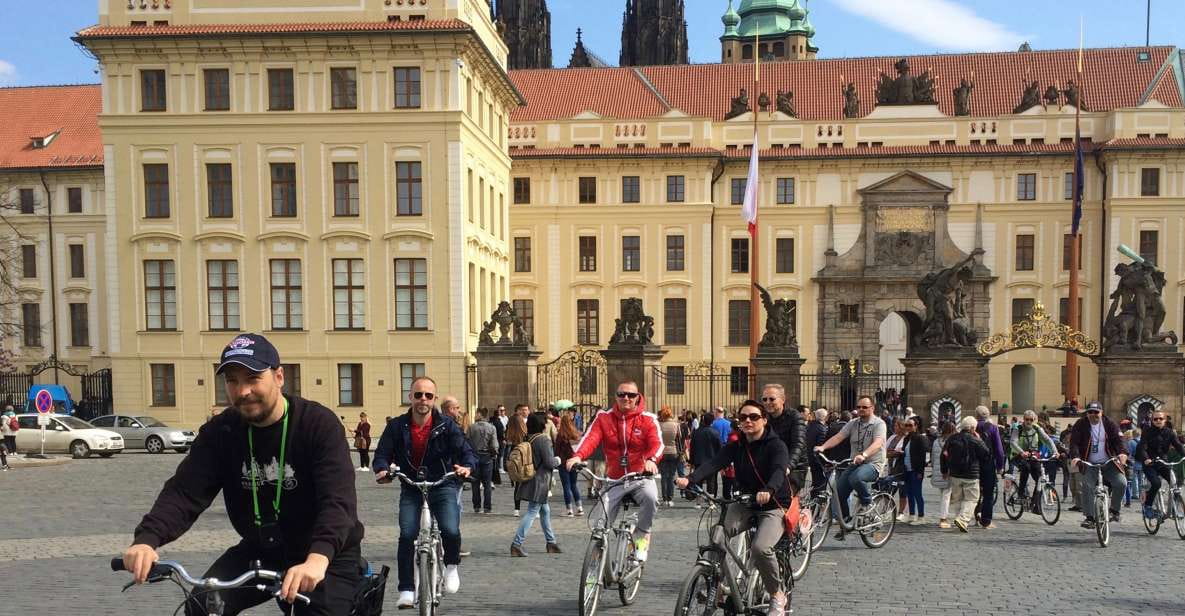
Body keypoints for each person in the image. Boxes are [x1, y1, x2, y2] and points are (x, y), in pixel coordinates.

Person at [120, 334, 363, 615]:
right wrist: (147, 540)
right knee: (202, 604)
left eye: (252, 378)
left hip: (325, 552)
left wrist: (318, 559)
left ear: (279, 377)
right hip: (263, 548)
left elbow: (338, 501)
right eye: (232, 381)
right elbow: (184, 493)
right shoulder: (221, 432)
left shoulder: (317, 425)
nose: (242, 390)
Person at [676, 400, 791, 616]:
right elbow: (714, 463)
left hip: (773, 504)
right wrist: (690, 479)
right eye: (744, 417)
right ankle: (715, 584)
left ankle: (777, 595)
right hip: (746, 502)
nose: (748, 421)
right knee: (717, 534)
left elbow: (778, 470)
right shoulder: (737, 444)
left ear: (764, 420)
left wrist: (769, 489)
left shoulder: (776, 445)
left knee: (760, 548)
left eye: (754, 417)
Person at [373, 376, 474, 609]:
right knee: (407, 534)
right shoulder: (397, 426)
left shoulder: (447, 426)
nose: (423, 400)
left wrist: (466, 466)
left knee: (450, 528)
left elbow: (466, 450)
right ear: (410, 397)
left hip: (442, 484)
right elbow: (382, 454)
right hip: (412, 487)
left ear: (434, 399)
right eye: (418, 395)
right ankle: (407, 588)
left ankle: (451, 566)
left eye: (428, 395)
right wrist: (381, 469)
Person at [566, 380, 663, 562]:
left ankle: (641, 538)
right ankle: (595, 561)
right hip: (614, 480)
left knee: (651, 498)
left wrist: (651, 460)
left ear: (637, 397)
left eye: (630, 395)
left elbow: (657, 443)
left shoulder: (648, 419)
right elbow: (591, 438)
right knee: (600, 523)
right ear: (616, 397)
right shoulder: (604, 417)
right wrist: (578, 456)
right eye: (621, 394)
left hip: (640, 476)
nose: (626, 398)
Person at [814, 396, 886, 539]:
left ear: (872, 408)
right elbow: (839, 437)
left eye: (864, 407)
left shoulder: (879, 424)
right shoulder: (853, 423)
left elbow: (878, 443)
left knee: (856, 478)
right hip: (854, 463)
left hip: (873, 464)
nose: (861, 410)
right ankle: (846, 521)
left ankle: (868, 503)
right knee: (838, 491)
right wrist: (823, 447)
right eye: (859, 407)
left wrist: (864, 455)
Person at [510, 413, 563, 556]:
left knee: (545, 511)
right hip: (540, 482)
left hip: (531, 478)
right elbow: (549, 462)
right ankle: (516, 544)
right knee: (532, 511)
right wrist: (558, 460)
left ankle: (551, 542)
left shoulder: (529, 438)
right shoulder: (543, 439)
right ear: (542, 424)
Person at [1069, 401, 1128, 528]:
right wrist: (1075, 457)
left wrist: (1122, 453)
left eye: (1096, 412)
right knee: (1086, 485)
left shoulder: (1109, 424)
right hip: (1089, 463)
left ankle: (1114, 511)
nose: (1093, 415)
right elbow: (1074, 443)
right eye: (1090, 412)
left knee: (1121, 483)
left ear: (1102, 413)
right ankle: (1089, 518)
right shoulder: (1081, 424)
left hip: (1109, 462)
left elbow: (1119, 440)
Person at [941, 416, 990, 532]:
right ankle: (962, 520)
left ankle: (959, 519)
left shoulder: (952, 438)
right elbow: (986, 454)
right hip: (971, 475)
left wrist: (944, 470)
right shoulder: (975, 439)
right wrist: (981, 440)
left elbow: (943, 454)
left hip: (955, 474)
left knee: (958, 499)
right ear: (973, 428)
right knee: (972, 499)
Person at [1009, 410, 1058, 514]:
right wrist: (1022, 452)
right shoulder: (1017, 428)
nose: (1029, 422)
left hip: (1033, 455)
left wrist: (1055, 451)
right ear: (1024, 419)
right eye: (1027, 419)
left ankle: (1035, 504)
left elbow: (1047, 440)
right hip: (1018, 455)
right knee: (1025, 468)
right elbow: (1013, 442)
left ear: (1034, 420)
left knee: (1040, 478)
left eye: (1031, 420)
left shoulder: (1037, 428)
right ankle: (1021, 493)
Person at [1137, 412, 1183, 519]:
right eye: (1155, 419)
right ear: (1152, 421)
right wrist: (1146, 458)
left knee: (1175, 483)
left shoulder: (1170, 432)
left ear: (1165, 420)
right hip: (1150, 463)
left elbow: (1178, 445)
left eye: (1160, 419)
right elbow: (1141, 447)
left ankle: (1174, 508)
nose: (1158, 421)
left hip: (1163, 462)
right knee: (1156, 483)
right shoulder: (1147, 432)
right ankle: (1148, 505)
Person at [761, 383, 806, 492]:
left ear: (783, 399)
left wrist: (788, 467)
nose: (768, 402)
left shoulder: (795, 417)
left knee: (782, 499)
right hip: (771, 466)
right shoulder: (763, 418)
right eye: (764, 399)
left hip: (794, 468)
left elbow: (798, 445)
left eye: (772, 399)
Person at [975, 406, 1006, 528]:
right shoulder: (993, 428)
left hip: (973, 464)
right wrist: (1000, 466)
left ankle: (974, 515)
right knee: (988, 493)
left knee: (973, 492)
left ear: (976, 415)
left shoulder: (972, 427)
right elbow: (999, 449)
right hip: (988, 464)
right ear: (988, 416)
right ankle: (986, 520)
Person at [466, 407, 499, 514]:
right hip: (487, 456)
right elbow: (494, 445)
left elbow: (467, 442)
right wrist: (494, 454)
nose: (475, 415)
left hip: (475, 456)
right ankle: (487, 507)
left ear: (480, 414)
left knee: (475, 483)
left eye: (476, 413)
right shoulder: (492, 428)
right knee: (487, 483)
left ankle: (476, 506)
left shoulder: (471, 427)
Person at [689, 412, 722, 507]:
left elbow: (692, 447)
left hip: (698, 460)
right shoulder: (715, 432)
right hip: (711, 462)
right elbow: (719, 448)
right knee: (711, 482)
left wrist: (691, 461)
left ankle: (698, 503)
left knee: (698, 481)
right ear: (712, 421)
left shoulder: (696, 432)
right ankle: (711, 502)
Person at [555, 410, 584, 516]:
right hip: (573, 462)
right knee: (574, 485)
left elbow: (556, 451)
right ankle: (580, 508)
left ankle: (569, 510)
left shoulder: (560, 435)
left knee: (566, 486)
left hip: (563, 463)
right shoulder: (575, 434)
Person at [900, 418, 929, 524]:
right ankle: (912, 515)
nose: (908, 427)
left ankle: (921, 517)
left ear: (916, 426)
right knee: (909, 493)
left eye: (910, 425)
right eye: (906, 425)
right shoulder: (906, 438)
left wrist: (920, 472)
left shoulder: (921, 438)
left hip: (916, 470)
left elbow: (924, 456)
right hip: (907, 469)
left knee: (917, 493)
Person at [931, 421, 956, 528]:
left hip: (938, 472)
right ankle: (943, 518)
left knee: (944, 496)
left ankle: (944, 515)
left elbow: (932, 458)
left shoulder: (936, 441)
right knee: (947, 496)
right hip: (948, 472)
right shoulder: (952, 442)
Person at [657, 406, 682, 507]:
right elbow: (679, 438)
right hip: (673, 452)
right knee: (671, 476)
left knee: (663, 476)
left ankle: (664, 499)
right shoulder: (676, 425)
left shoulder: (659, 425)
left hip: (662, 452)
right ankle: (670, 498)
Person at [504, 412, 528, 516]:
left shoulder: (510, 433)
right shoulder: (524, 434)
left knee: (518, 485)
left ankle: (516, 509)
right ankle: (533, 507)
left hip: (514, 457)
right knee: (529, 481)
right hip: (524, 457)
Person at [804, 408, 829, 498]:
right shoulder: (822, 429)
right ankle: (818, 499)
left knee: (815, 480)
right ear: (825, 417)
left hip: (810, 456)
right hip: (818, 458)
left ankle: (814, 497)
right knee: (821, 481)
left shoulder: (810, 426)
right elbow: (821, 445)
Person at [492, 405, 508, 484]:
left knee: (502, 454)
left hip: (499, 439)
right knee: (500, 454)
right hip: (500, 439)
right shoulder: (498, 421)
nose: (502, 412)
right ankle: (500, 467)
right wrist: (503, 438)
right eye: (500, 410)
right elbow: (501, 431)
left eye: (503, 410)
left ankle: (501, 467)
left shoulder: (505, 418)